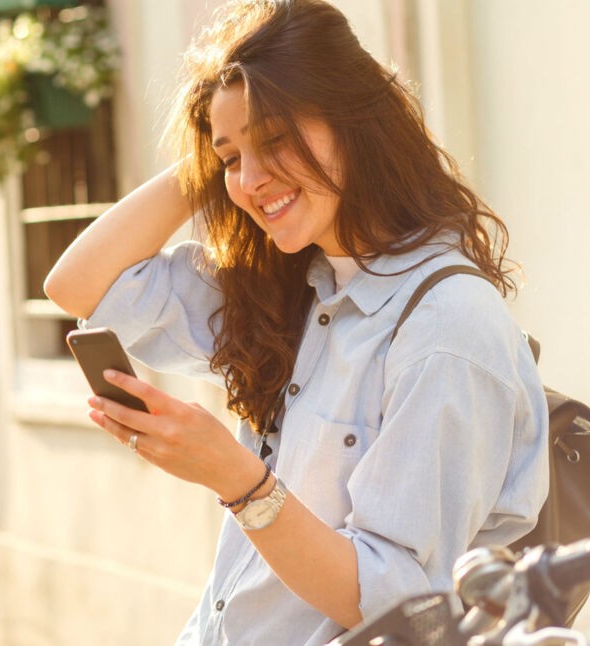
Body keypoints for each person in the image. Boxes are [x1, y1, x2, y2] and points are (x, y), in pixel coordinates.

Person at [43, 0, 549, 644]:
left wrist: (237, 479)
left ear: (356, 122)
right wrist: (221, 145)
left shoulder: (447, 331)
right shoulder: (293, 289)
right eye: (230, 161)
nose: (250, 181)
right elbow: (77, 283)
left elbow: (398, 603)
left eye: (277, 138)